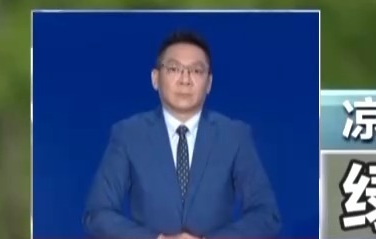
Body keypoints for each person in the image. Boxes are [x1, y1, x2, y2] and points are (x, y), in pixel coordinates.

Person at [83, 30, 280, 239]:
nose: (185, 79)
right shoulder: (128, 134)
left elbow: (267, 216)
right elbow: (97, 215)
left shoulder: (234, 135)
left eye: (196, 70)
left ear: (209, 83)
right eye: (174, 69)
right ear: (155, 78)